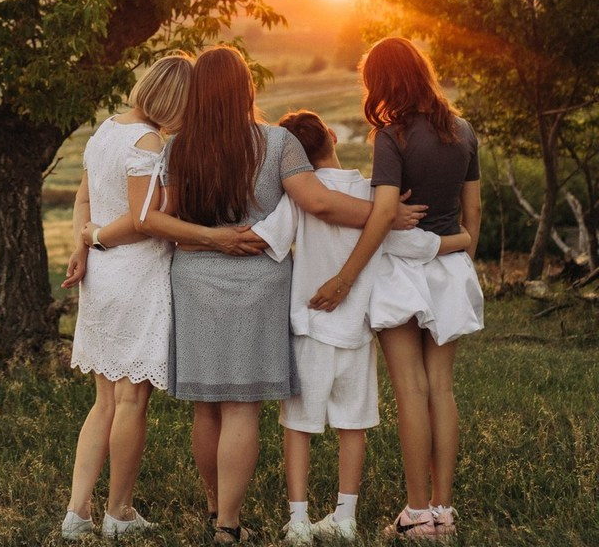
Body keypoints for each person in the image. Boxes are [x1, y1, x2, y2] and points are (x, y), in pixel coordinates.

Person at [91, 45, 425, 545]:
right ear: (248, 88)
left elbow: (157, 217)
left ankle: (212, 508)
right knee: (242, 406)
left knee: (207, 407)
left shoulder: (179, 147)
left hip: (195, 279)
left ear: (199, 92)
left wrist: (206, 237)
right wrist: (384, 214)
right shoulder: (277, 142)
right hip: (258, 282)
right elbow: (319, 203)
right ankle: (228, 524)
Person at [249, 111, 470, 544]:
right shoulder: (376, 197)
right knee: (353, 426)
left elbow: (267, 238)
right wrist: (461, 241)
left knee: (298, 426)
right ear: (332, 136)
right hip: (356, 331)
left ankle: (298, 521)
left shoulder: (298, 195)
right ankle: (345, 516)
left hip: (309, 327)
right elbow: (412, 241)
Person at [309, 38, 483, 540]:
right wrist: (457, 262)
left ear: (384, 82)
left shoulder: (393, 136)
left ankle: (415, 513)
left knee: (410, 390)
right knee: (441, 390)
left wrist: (344, 278)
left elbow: (384, 213)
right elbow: (472, 216)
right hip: (448, 267)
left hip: (401, 274)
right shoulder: (464, 131)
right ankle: (444, 514)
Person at [59, 53, 194, 539]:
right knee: (132, 398)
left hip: (102, 279)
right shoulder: (147, 140)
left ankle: (77, 514)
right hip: (133, 275)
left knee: (105, 401)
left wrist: (81, 243)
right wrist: (92, 240)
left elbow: (83, 200)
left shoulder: (107, 129)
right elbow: (142, 221)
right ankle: (118, 513)